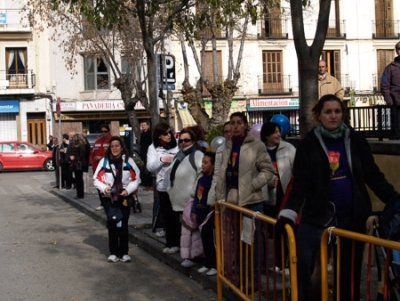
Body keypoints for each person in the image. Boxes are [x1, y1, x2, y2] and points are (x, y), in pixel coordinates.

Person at [275, 94, 400, 301]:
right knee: (308, 269)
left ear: (343, 113)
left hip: (352, 216)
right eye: (328, 112)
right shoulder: (309, 143)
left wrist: (394, 199)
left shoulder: (356, 140)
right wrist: (288, 212)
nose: (333, 116)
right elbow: (300, 184)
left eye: (337, 111)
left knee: (349, 273)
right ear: (319, 115)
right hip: (317, 217)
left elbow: (373, 175)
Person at [215, 112, 275, 285]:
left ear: (245, 125)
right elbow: (221, 174)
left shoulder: (256, 146)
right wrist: (218, 197)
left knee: (252, 240)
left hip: (251, 202)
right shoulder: (227, 146)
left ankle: (254, 278)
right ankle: (242, 275)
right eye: (232, 123)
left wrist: (252, 186)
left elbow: (268, 171)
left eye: (239, 123)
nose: (235, 126)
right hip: (232, 201)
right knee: (238, 241)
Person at [93, 136, 141, 263]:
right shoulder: (104, 162)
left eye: (117, 146)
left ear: (121, 147)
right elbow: (96, 179)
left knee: (123, 224)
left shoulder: (129, 161)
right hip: (110, 199)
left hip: (125, 197)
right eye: (112, 146)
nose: (115, 148)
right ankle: (113, 252)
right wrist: (104, 188)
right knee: (112, 224)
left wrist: (128, 190)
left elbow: (136, 179)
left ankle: (124, 252)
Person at [260, 121, 296, 275]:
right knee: (272, 231)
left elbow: (296, 169)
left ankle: (287, 263)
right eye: (274, 132)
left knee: (285, 229)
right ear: (267, 135)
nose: (278, 135)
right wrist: (267, 181)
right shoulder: (259, 151)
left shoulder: (288, 148)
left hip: (285, 194)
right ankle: (277, 262)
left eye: (278, 131)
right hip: (267, 196)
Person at [168, 128, 204, 267]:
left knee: (191, 232)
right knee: (185, 232)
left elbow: (202, 174)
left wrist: (193, 194)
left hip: (190, 201)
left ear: (193, 141)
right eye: (181, 140)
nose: (183, 143)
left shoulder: (197, 155)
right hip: (178, 202)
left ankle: (195, 257)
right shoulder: (179, 155)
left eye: (186, 140)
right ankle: (189, 255)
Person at [146, 122, 179, 254]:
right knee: (168, 216)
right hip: (163, 186)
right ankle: (171, 243)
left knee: (179, 216)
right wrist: (161, 160)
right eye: (165, 133)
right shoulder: (153, 148)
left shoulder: (177, 144)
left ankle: (180, 244)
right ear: (159, 136)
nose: (169, 135)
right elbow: (149, 167)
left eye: (170, 132)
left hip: (177, 185)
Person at [192, 152, 217, 276]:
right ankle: (208, 263)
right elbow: (197, 197)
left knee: (211, 241)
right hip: (200, 212)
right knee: (204, 240)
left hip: (209, 214)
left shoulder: (213, 181)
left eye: (206, 163)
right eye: (202, 162)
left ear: (213, 165)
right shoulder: (201, 179)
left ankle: (214, 264)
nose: (203, 165)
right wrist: (194, 210)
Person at [90, 124, 112, 210]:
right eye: (102, 131)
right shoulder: (98, 141)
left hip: (107, 168)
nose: (103, 133)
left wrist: (101, 158)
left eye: (105, 131)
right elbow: (92, 153)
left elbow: (112, 154)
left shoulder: (111, 141)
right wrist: (92, 161)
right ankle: (102, 203)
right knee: (99, 186)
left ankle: (110, 203)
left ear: (108, 131)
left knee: (108, 186)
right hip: (96, 168)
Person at [381, 41, 400, 138]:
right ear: (396, 51)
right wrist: (389, 101)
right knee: (397, 131)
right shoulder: (389, 68)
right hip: (396, 104)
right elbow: (384, 85)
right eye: (399, 49)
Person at [70, 133, 88, 199]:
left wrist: (74, 157)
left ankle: (80, 194)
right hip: (76, 164)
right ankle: (79, 193)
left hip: (78, 164)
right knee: (78, 179)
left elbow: (82, 156)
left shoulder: (81, 146)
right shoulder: (76, 146)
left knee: (79, 179)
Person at [140, 120, 153, 190]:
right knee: (146, 169)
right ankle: (147, 184)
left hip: (148, 153)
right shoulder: (142, 133)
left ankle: (150, 185)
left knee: (148, 170)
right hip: (143, 153)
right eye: (142, 125)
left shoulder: (149, 133)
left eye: (144, 125)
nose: (143, 126)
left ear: (148, 125)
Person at [81, 129, 91, 193]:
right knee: (85, 174)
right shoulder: (86, 142)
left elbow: (86, 151)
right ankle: (85, 189)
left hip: (84, 160)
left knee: (84, 174)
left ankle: (85, 189)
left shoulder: (85, 142)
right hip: (85, 160)